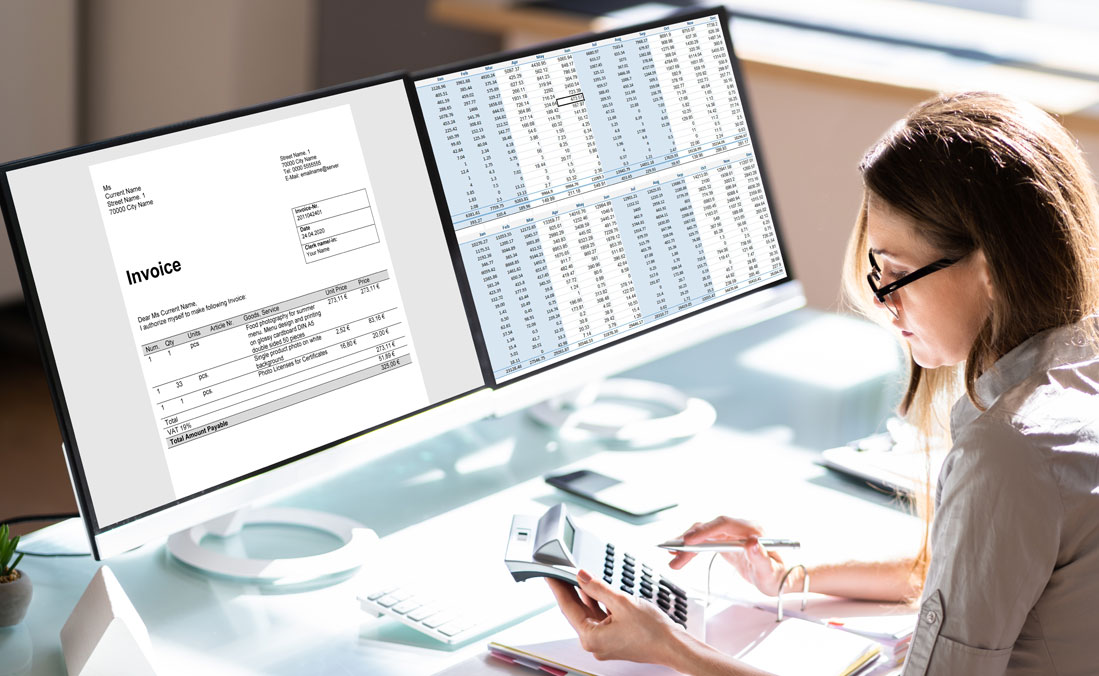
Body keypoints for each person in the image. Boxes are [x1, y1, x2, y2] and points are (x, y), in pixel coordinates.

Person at [546, 91, 1099, 675]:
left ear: (990, 267)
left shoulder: (1009, 450)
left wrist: (669, 648)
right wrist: (791, 575)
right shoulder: (1075, 379)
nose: (888, 304)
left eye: (897, 275)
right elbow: (975, 569)